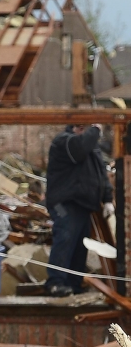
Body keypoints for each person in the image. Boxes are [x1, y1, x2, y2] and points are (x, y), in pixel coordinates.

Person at [45, 124, 114, 296]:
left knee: (79, 245)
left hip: (83, 205)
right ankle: (55, 282)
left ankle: (73, 284)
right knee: (65, 237)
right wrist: (95, 130)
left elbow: (101, 174)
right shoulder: (64, 142)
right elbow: (79, 149)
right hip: (63, 203)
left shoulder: (90, 147)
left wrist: (107, 199)